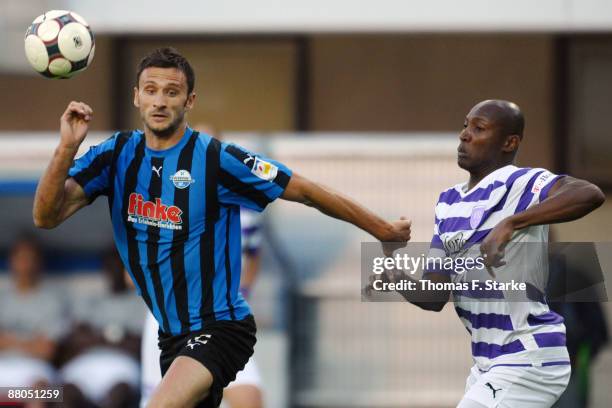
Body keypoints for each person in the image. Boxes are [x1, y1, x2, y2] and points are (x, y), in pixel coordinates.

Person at [33, 47, 411, 408]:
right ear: (136, 97)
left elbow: (306, 191)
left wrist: (383, 230)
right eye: (151, 91)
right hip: (171, 335)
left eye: (172, 92)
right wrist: (66, 149)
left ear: (190, 101)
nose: (160, 101)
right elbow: (46, 217)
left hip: (220, 328)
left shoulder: (217, 159)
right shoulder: (116, 155)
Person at [371, 100, 605, 407]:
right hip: (486, 363)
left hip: (527, 354)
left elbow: (589, 194)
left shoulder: (521, 182)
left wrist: (511, 222)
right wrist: (393, 271)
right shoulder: (448, 202)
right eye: (465, 125)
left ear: (510, 142)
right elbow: (433, 296)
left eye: (478, 128)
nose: (464, 135)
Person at [141, 207, 266, 408]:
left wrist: (239, 294)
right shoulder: (167, 202)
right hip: (172, 317)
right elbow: (130, 273)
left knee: (249, 398)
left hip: (222, 317)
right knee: (168, 400)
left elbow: (253, 255)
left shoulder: (246, 212)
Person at [58, 247, 146, 408]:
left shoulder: (140, 300)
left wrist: (95, 336)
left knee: (119, 394)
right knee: (64, 393)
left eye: (120, 266)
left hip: (122, 363)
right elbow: (76, 339)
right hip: (86, 362)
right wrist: (119, 336)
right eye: (110, 266)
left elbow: (138, 344)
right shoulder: (91, 299)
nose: (115, 271)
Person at [0, 234, 68, 390]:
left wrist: (7, 341)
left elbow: (47, 351)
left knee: (45, 393)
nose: (26, 264)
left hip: (36, 369)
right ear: (11, 261)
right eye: (21, 258)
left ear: (39, 263)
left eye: (30, 259)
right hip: (2, 366)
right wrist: (30, 343)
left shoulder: (52, 300)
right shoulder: (2, 299)